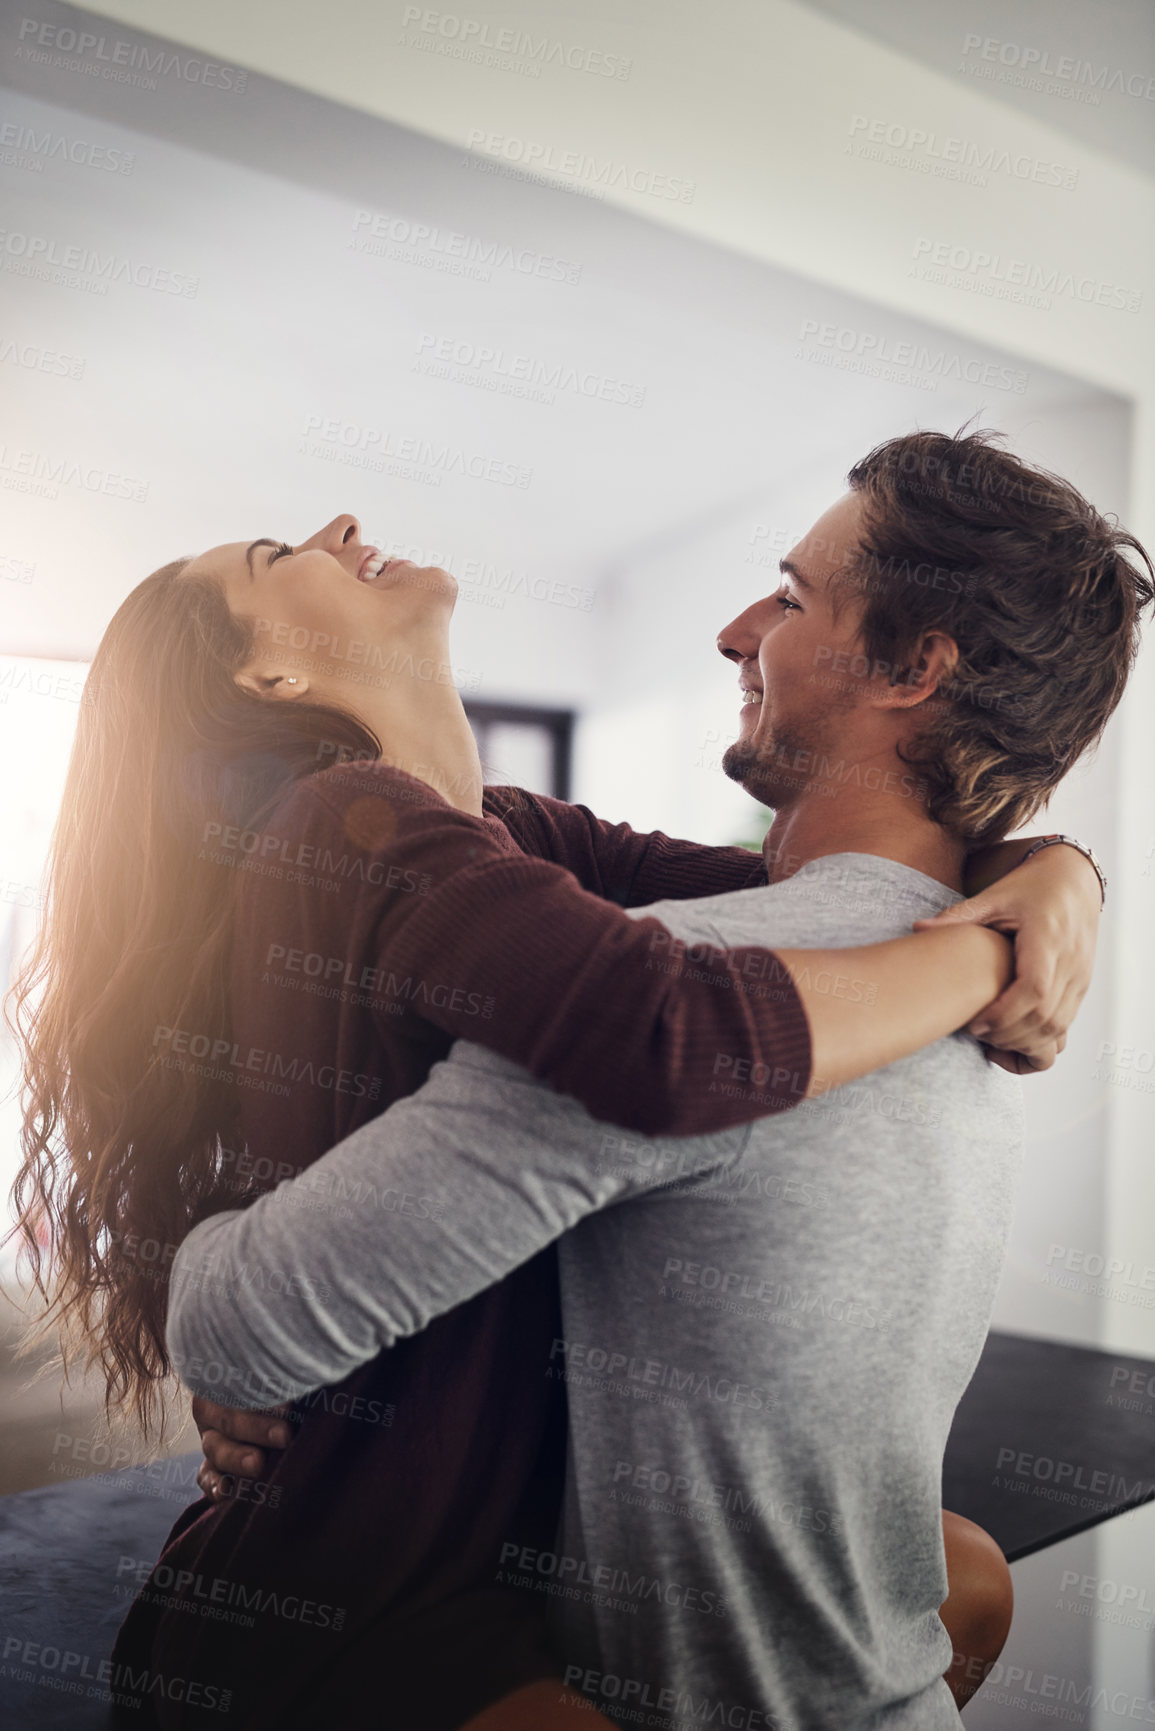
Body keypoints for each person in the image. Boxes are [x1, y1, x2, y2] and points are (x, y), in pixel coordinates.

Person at [8, 428, 1111, 1731]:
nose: (340, 524)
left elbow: (808, 900)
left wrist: (1054, 871)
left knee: (967, 1579)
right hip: (388, 1576)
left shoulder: (520, 845)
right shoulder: (342, 822)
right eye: (276, 559)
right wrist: (982, 958)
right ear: (274, 669)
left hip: (513, 1525)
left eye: (794, 597)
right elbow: (671, 1027)